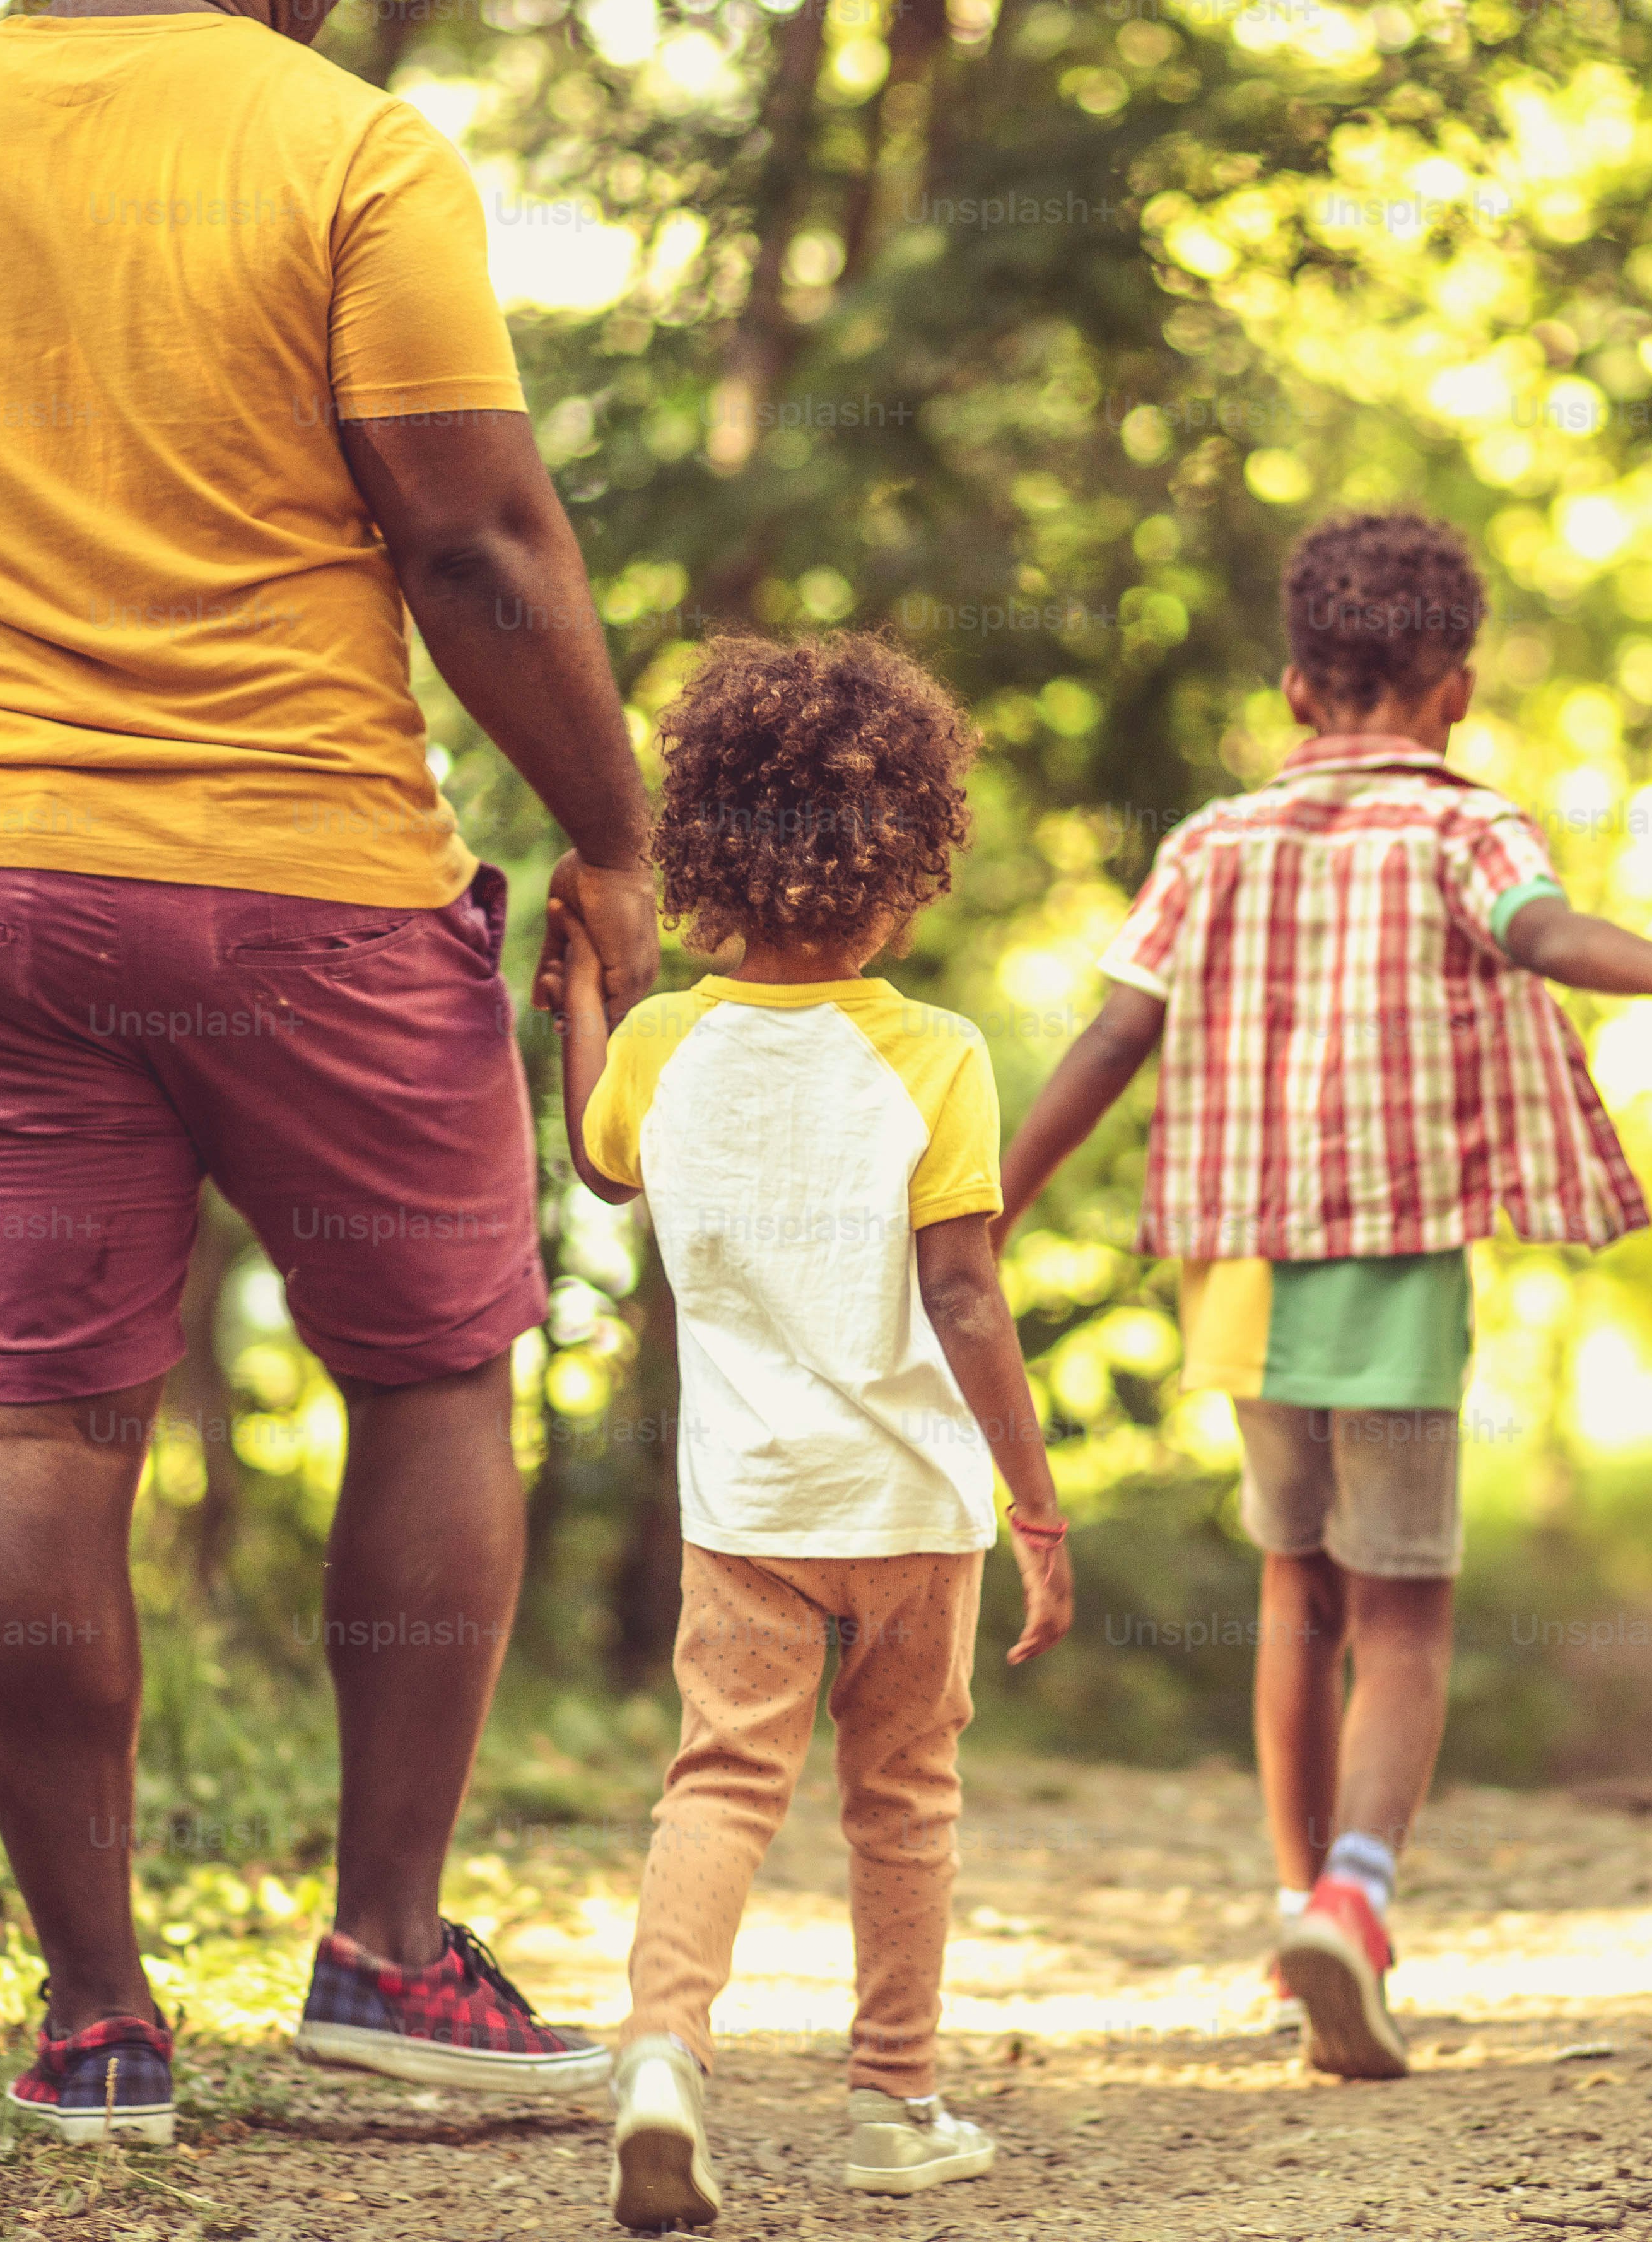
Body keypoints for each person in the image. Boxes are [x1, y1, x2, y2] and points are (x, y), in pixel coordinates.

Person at [0, 0, 660, 2144]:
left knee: (38, 1425)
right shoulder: (345, 149)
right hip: (308, 880)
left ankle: (94, 2020)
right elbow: (470, 537)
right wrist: (613, 833)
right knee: (433, 1375)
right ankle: (381, 1956)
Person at [996, 510, 1652, 2078]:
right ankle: (1356, 1900)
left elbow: (1108, 1038)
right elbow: (1541, 936)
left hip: (1234, 1268)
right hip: (1389, 1269)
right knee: (1403, 1614)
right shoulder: (1464, 830)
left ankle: (1293, 1902)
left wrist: (987, 1213)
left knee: (1292, 1592)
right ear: (1457, 692)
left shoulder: (1207, 843)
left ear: (1297, 690)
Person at [542, 633, 1074, 2231]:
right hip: (912, 1504)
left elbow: (599, 1163)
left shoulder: (662, 1048)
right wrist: (1036, 1506)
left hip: (745, 1509)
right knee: (902, 1795)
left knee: (717, 1781)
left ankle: (659, 2052)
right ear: (904, 864)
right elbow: (963, 1295)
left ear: (706, 849)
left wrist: (582, 995)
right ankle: (892, 2106)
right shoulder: (934, 1056)